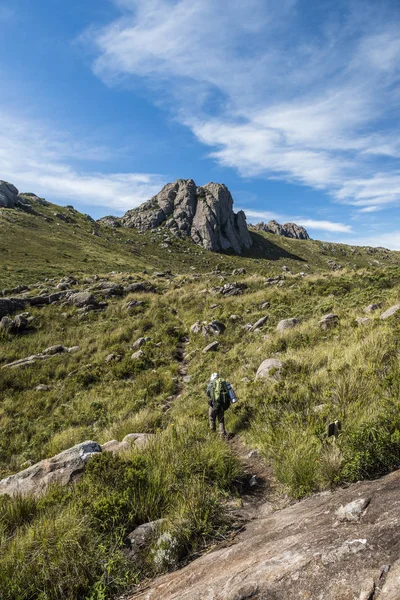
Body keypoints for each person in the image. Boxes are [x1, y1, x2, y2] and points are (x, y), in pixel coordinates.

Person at [206, 372, 228, 437]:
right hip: (221, 405)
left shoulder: (211, 384)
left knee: (212, 418)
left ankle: (213, 433)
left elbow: (207, 393)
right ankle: (222, 434)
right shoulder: (222, 383)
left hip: (213, 405)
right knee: (221, 419)